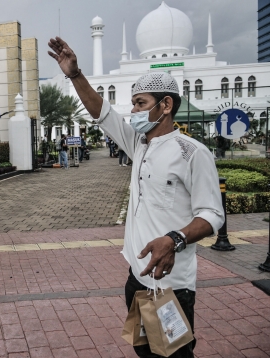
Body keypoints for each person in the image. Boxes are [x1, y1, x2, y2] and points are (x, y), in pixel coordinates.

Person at [48, 37, 224, 358]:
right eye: (133, 103)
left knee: (171, 356)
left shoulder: (192, 153)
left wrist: (174, 239)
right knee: (145, 352)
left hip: (169, 287)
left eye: (141, 103)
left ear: (166, 105)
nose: (133, 110)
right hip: (137, 281)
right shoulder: (138, 144)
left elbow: (213, 216)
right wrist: (75, 75)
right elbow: (102, 112)